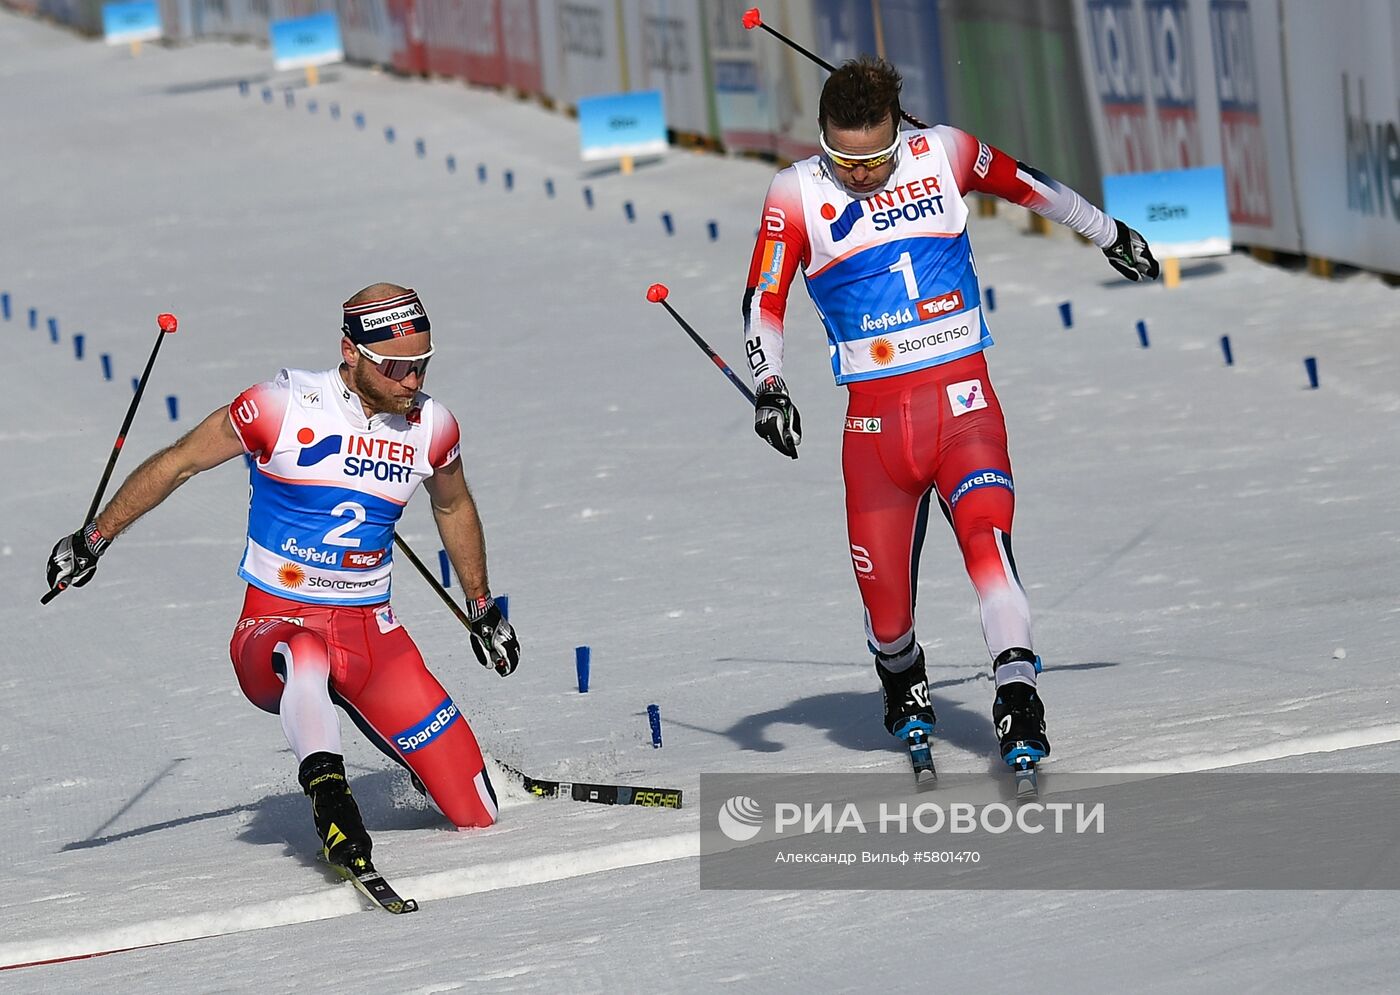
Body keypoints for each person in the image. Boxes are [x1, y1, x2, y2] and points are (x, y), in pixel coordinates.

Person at [741, 58, 1158, 772]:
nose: (861, 174)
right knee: (886, 612)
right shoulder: (795, 191)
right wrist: (769, 381)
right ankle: (901, 675)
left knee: (988, 541)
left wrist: (1109, 230)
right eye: (844, 158)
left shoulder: (945, 150)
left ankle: (1018, 691)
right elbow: (763, 296)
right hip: (875, 432)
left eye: (875, 158)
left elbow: (1031, 186)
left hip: (964, 405)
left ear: (899, 134)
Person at [45, 284, 521, 876]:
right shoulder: (282, 404)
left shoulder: (433, 426)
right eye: (396, 366)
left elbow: (452, 507)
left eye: (422, 364)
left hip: (372, 634)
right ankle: (330, 796)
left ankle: (401, 748)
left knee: (477, 815)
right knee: (306, 654)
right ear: (351, 352)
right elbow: (179, 462)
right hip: (275, 623)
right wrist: (94, 538)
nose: (412, 380)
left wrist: (481, 605)